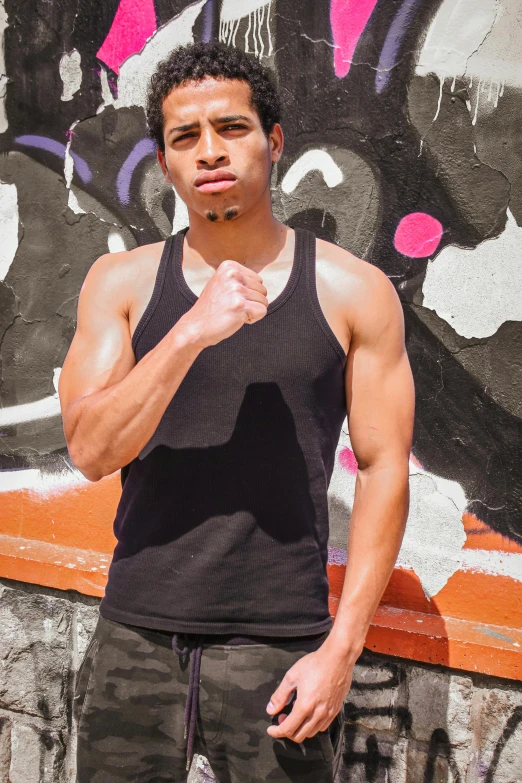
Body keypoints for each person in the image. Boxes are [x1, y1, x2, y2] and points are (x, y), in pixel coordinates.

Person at [59, 41, 415, 783]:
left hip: (281, 645)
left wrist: (340, 654)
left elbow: (384, 471)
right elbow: (91, 450)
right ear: (164, 161)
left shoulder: (353, 290)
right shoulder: (120, 283)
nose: (210, 151)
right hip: (136, 636)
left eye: (232, 127)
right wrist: (191, 330)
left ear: (274, 140)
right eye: (185, 137)